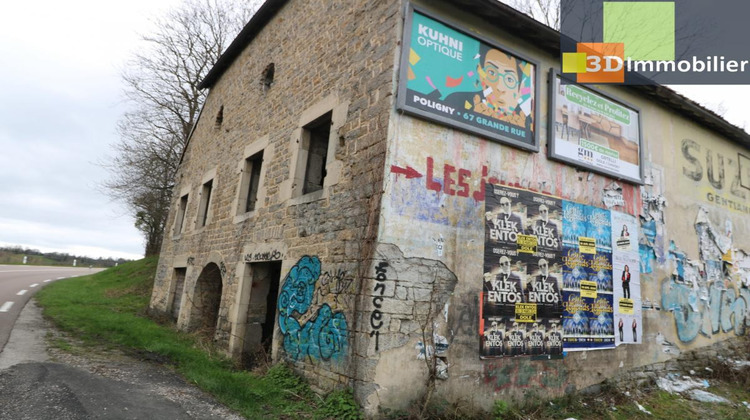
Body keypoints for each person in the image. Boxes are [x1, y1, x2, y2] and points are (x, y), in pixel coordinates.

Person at [443, 44, 530, 128]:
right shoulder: (457, 102)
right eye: (491, 72)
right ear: (481, 74)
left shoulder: (526, 124)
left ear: (521, 88)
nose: (499, 87)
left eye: (509, 79)